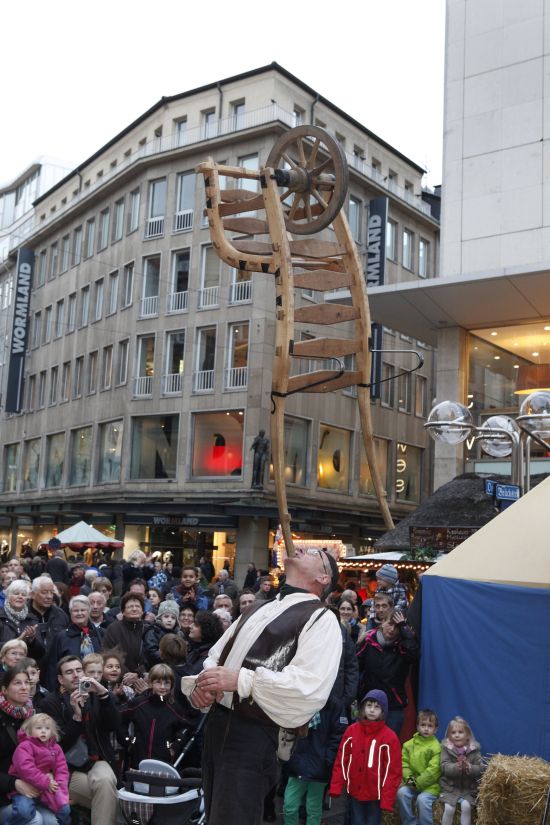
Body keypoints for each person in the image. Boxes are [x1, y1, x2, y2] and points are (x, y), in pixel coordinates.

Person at [187, 547, 342, 825]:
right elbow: (216, 656)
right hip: (217, 726)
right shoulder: (259, 606)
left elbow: (308, 689)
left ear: (324, 578)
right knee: (215, 816)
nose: (301, 548)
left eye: (314, 553)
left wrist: (242, 680)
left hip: (256, 733)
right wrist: (203, 684)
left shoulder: (322, 619)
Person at [40, 656, 119, 825]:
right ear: (61, 679)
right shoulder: (50, 702)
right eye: (69, 672)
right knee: (108, 797)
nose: (76, 675)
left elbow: (114, 725)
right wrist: (76, 717)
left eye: (78, 670)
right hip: (66, 768)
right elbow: (57, 744)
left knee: (106, 781)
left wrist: (104, 695)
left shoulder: (94, 695)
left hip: (95, 760)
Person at [329, 689, 402, 825]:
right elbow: (342, 760)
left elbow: (393, 771)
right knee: (356, 821)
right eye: (369, 705)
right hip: (354, 791)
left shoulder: (390, 737)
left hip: (376, 794)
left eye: (377, 707)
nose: (372, 710)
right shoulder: (351, 731)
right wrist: (336, 786)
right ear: (362, 707)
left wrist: (387, 799)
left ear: (383, 711)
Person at [0, 665, 59, 825]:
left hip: (35, 789)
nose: (24, 687)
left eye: (26, 682)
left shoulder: (36, 715)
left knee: (53, 821)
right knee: (34, 820)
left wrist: (50, 773)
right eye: (17, 683)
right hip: (5, 795)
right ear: (4, 690)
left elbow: (53, 751)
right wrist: (14, 783)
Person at [283, 692, 348, 825]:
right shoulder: (301, 698)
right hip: (297, 762)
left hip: (320, 764)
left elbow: (339, 735)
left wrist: (328, 759)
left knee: (313, 809)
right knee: (289, 806)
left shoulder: (334, 704)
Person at [357, 610, 419, 736]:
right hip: (369, 702)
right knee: (366, 741)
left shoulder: (402, 645)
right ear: (383, 622)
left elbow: (413, 655)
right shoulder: (369, 640)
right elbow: (355, 666)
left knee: (389, 742)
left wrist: (404, 627)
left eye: (397, 627)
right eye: (390, 624)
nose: (392, 630)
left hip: (393, 704)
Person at [119, 664, 193, 767]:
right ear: (151, 683)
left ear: (172, 685)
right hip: (137, 761)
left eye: (166, 683)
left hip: (163, 762)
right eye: (158, 682)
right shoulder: (138, 703)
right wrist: (128, 742)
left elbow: (186, 728)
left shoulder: (174, 709)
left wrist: (175, 747)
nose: (162, 687)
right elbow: (120, 720)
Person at [7, 713, 71, 825]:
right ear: (29, 730)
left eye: (47, 728)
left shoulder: (56, 748)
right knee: (24, 811)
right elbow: (26, 768)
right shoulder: (24, 746)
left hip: (47, 787)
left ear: (52, 731)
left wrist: (59, 784)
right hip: (24, 787)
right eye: (39, 728)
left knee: (64, 810)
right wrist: (45, 782)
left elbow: (62, 769)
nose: (43, 731)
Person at [45, 597, 103, 691]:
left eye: (83, 610)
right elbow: (52, 667)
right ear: (70, 613)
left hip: (97, 688)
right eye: (76, 611)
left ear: (89, 611)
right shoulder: (61, 637)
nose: (79, 613)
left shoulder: (100, 634)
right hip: (69, 689)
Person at [396, 709, 441, 825]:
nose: (426, 728)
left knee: (422, 800)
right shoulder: (408, 745)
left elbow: (433, 770)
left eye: (430, 726)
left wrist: (418, 784)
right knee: (401, 793)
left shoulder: (437, 747)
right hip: (412, 783)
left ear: (435, 729)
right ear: (417, 726)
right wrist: (411, 782)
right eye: (423, 725)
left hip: (430, 787)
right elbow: (404, 765)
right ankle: (410, 822)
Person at [440, 717, 483, 825]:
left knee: (466, 807)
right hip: (450, 788)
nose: (457, 735)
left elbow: (480, 769)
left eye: (460, 732)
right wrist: (456, 767)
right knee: (449, 808)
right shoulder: (446, 748)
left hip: (468, 788)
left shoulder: (474, 749)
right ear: (449, 736)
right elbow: (444, 767)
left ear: (467, 735)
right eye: (453, 732)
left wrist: (470, 768)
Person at [102, 592, 145, 675]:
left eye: (137, 606)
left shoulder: (148, 629)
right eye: (130, 607)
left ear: (142, 611)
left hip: (144, 677)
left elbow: (150, 657)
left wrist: (138, 674)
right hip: (120, 676)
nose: (134, 609)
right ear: (123, 611)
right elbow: (109, 654)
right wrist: (126, 674)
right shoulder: (113, 629)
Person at [0, 582, 42, 661]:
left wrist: (32, 641)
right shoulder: (1, 616)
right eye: (16, 593)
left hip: (25, 666)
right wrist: (18, 640)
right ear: (8, 596)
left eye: (23, 594)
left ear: (27, 599)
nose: (20, 596)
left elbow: (40, 653)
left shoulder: (32, 619)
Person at [143, 600, 183, 669]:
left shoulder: (178, 635)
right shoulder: (153, 631)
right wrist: (169, 658)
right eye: (166, 616)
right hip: (154, 668)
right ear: (160, 618)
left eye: (173, 618)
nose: (169, 620)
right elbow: (151, 651)